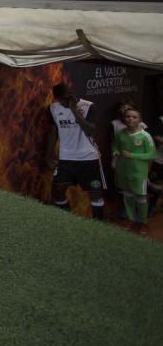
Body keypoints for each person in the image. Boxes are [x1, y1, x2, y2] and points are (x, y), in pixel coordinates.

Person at [47, 83, 105, 219]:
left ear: (72, 95)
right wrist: (48, 155)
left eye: (67, 98)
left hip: (88, 158)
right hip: (66, 158)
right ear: (56, 98)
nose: (64, 102)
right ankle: (69, 220)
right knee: (57, 191)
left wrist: (74, 110)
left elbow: (90, 131)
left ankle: (99, 226)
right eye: (61, 100)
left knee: (95, 195)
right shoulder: (53, 108)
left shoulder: (88, 106)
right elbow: (54, 132)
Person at [112, 107, 156, 235]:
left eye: (134, 117)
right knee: (128, 196)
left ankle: (143, 223)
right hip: (123, 171)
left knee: (141, 198)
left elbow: (151, 154)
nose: (130, 119)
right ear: (124, 119)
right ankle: (131, 220)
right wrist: (115, 151)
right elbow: (115, 145)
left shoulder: (145, 136)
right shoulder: (120, 133)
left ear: (140, 120)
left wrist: (133, 156)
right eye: (128, 116)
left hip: (138, 173)